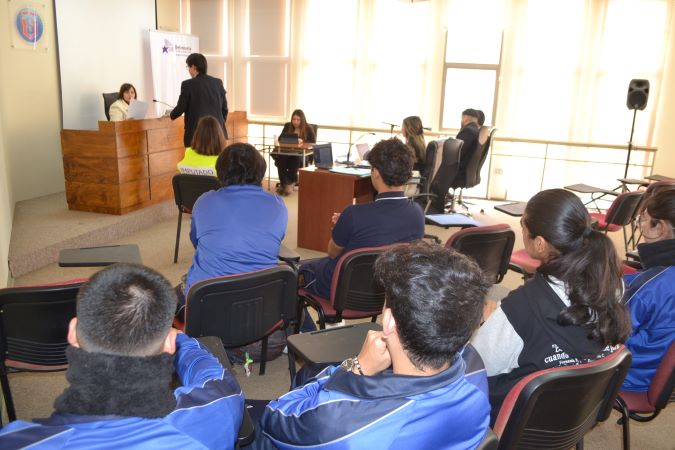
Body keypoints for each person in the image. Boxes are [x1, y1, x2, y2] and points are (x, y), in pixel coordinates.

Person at [255, 243, 491, 449]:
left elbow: (275, 417)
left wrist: (356, 368)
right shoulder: (478, 374)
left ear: (388, 321)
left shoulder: (338, 424)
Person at [0, 264, 244, 449]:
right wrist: (180, 339)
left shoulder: (16, 442)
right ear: (169, 344)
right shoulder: (219, 406)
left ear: (73, 333)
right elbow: (214, 376)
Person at [472, 188, 631, 423]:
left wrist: (487, 324)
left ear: (539, 243)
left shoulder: (519, 309)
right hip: (576, 413)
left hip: (518, 423)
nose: (522, 228)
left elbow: (476, 368)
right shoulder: (613, 284)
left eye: (523, 224)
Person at [298, 138, 425, 307]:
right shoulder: (417, 213)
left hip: (339, 287)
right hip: (385, 293)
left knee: (291, 273)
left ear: (376, 173)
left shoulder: (353, 214)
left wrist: (340, 225)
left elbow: (333, 252)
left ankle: (307, 330)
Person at [179, 142, 287, 308]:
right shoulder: (277, 205)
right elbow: (275, 242)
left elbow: (196, 241)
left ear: (220, 172)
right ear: (261, 172)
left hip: (208, 298)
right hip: (261, 297)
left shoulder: (204, 201)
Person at [622, 188, 675, 392]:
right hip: (665, 374)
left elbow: (613, 333)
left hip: (633, 376)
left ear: (659, 227)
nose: (640, 225)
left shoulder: (651, 287)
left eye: (643, 219)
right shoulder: (655, 281)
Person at [170, 53, 228, 148]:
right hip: (218, 135)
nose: (189, 70)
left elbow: (181, 108)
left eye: (188, 67)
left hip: (196, 135)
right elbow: (224, 108)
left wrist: (171, 115)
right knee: (216, 162)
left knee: (195, 162)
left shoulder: (188, 84)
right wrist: (218, 124)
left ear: (193, 67)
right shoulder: (218, 83)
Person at [273, 109, 316, 196]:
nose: (295, 122)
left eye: (298, 120)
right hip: (287, 151)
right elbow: (281, 138)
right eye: (294, 119)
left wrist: (302, 141)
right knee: (280, 158)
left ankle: (287, 184)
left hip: (302, 154)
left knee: (294, 159)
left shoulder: (308, 128)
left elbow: (313, 142)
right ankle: (286, 184)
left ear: (302, 120)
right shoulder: (288, 126)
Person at [455, 108, 481, 185]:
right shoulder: (476, 131)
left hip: (460, 172)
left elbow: (457, 153)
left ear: (465, 118)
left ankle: (433, 196)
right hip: (469, 173)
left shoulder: (468, 131)